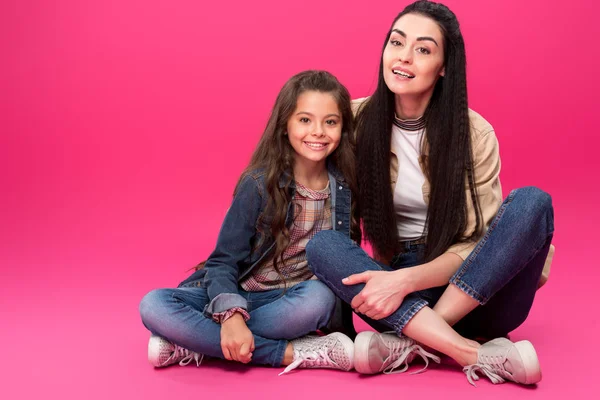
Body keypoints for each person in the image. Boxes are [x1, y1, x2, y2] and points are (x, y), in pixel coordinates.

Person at [305, 0, 555, 386]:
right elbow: (292, 172)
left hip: (477, 291)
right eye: (397, 43)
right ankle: (469, 352)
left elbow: (481, 247)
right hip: (395, 293)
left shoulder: (475, 134)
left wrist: (406, 283)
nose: (403, 58)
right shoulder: (352, 122)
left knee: (534, 203)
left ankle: (411, 341)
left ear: (443, 69)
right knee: (322, 246)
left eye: (423, 49)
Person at [139, 70, 360, 374]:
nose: (318, 131)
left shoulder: (344, 186)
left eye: (331, 121)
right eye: (305, 120)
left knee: (320, 299)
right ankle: (290, 352)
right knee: (153, 304)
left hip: (290, 302)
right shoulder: (258, 185)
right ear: (285, 125)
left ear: (343, 127)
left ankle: (194, 343)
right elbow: (222, 262)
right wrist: (230, 315)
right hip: (238, 291)